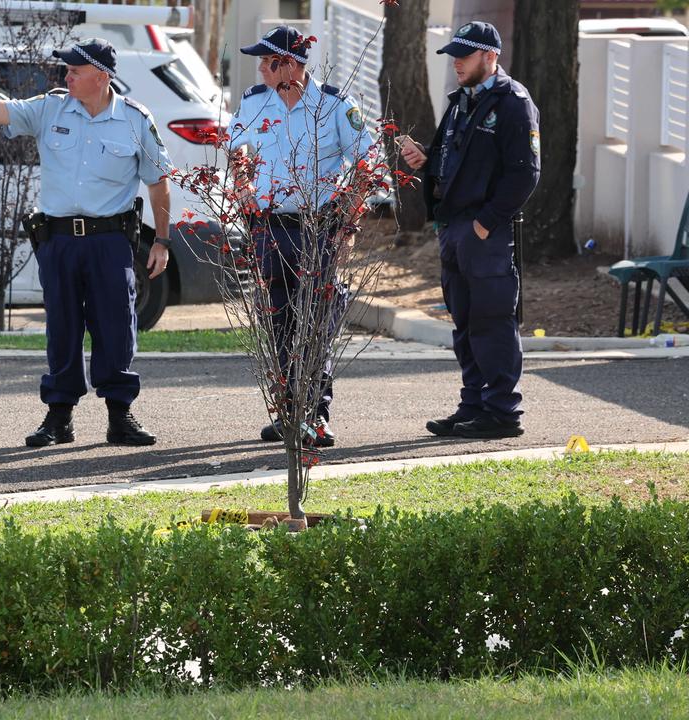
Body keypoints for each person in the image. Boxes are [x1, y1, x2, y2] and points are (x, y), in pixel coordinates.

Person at [0, 38, 172, 447]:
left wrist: (163, 241)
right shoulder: (50, 108)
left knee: (116, 328)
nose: (67, 76)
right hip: (59, 240)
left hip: (110, 241)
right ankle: (59, 417)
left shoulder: (135, 120)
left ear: (100, 77)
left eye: (75, 71)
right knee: (62, 328)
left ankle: (120, 415)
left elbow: (158, 183)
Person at [228, 26, 374, 447]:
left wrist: (347, 221)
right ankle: (289, 412)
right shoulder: (255, 103)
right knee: (278, 323)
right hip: (269, 228)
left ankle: (317, 414)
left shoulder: (333, 106)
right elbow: (235, 147)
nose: (259, 69)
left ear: (288, 64)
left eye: (266, 61)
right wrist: (243, 187)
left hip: (318, 230)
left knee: (317, 324)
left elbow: (367, 162)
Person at [400, 21, 540, 440]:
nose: (456, 62)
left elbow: (525, 174)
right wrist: (426, 159)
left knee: (492, 321)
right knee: (464, 323)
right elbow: (453, 158)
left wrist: (485, 223)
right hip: (454, 228)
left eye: (465, 54)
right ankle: (473, 406)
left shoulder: (514, 102)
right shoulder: (461, 100)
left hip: (485, 234)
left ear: (490, 56)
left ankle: (501, 413)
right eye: (454, 54)